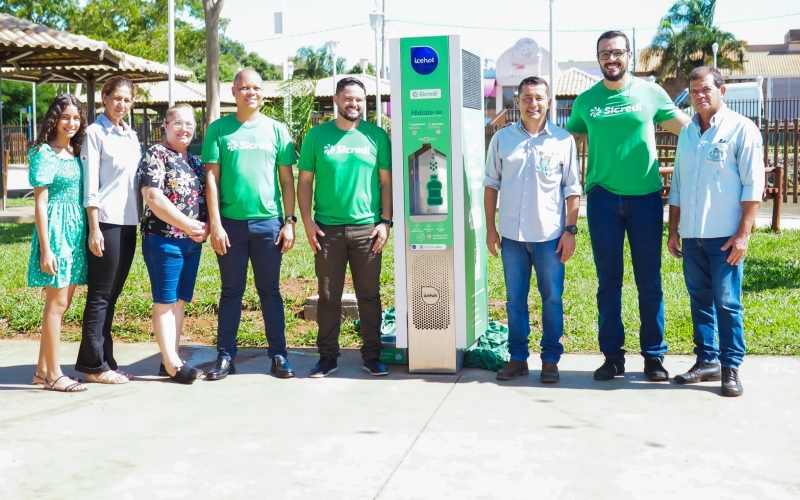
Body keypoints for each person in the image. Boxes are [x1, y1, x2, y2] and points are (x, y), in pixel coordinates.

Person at [565, 30, 690, 381]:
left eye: (617, 52)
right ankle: (612, 357)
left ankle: (653, 357)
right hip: (603, 199)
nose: (612, 58)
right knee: (608, 283)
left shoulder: (650, 93)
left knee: (649, 281)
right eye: (605, 53)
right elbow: (564, 139)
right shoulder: (586, 101)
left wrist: (727, 134)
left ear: (629, 56)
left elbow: (689, 129)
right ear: (598, 58)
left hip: (645, 199)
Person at [667, 67, 764, 397]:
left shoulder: (741, 129)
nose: (700, 96)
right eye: (694, 92)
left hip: (725, 238)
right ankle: (706, 361)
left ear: (722, 90)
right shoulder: (688, 133)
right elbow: (677, 186)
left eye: (706, 89)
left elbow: (753, 186)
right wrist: (673, 231)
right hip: (693, 236)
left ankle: (731, 366)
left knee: (727, 302)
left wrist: (743, 234)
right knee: (700, 301)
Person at [485, 77, 582, 383]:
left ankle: (551, 359)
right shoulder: (502, 139)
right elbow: (491, 185)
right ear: (518, 102)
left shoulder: (563, 141)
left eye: (539, 98)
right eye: (527, 98)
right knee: (515, 299)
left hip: (550, 238)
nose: (533, 104)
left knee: (552, 298)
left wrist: (570, 230)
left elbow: (572, 189)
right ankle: (518, 358)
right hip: (512, 238)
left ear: (548, 102)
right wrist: (490, 229)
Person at [203, 69, 297, 381]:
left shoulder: (277, 130)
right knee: (231, 292)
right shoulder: (218, 130)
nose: (250, 93)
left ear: (263, 92)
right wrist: (215, 224)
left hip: (268, 224)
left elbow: (287, 180)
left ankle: (279, 355)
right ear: (234, 92)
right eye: (244, 88)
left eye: (256, 88)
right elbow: (212, 179)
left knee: (270, 291)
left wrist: (289, 221)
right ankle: (225, 356)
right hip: (230, 224)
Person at [297, 77, 392, 378]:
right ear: (336, 99)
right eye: (348, 99)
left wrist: (386, 222)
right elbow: (305, 182)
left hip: (367, 230)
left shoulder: (377, 136)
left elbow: (387, 183)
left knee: (369, 295)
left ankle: (372, 355)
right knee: (328, 296)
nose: (354, 104)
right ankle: (327, 357)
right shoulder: (316, 136)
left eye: (360, 100)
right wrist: (307, 222)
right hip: (327, 231)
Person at [77, 76, 142, 384]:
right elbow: (90, 184)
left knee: (112, 296)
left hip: (130, 222)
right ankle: (94, 366)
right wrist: (94, 228)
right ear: (105, 97)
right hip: (105, 222)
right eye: (117, 97)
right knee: (100, 296)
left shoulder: (131, 135)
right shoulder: (94, 133)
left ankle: (106, 360)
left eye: (127, 99)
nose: (122, 104)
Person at [137, 103, 208, 384]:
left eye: (189, 124)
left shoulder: (195, 162)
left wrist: (206, 227)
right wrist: (188, 225)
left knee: (179, 301)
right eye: (177, 123)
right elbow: (153, 197)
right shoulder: (155, 155)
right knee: (165, 301)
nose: (184, 128)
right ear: (165, 126)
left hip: (191, 244)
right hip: (163, 241)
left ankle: (171, 358)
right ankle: (172, 363)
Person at [26, 95, 89, 393]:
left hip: (76, 231)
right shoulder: (43, 153)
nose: (71, 123)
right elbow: (40, 204)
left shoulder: (74, 152)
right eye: (65, 117)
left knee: (63, 305)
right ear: (54, 118)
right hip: (56, 232)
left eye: (76, 118)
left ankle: (41, 370)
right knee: (57, 303)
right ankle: (54, 374)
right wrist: (46, 247)